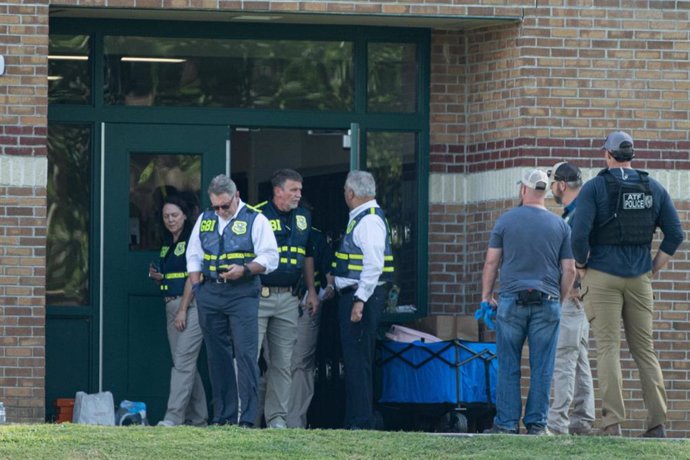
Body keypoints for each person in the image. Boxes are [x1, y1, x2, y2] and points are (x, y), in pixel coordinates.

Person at [571, 131, 684, 438]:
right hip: (639, 279)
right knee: (645, 350)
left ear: (606, 155)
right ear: (631, 155)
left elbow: (579, 236)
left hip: (602, 276)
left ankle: (612, 424)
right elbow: (675, 234)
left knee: (608, 348)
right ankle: (657, 424)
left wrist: (581, 268)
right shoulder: (653, 187)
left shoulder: (595, 187)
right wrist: (651, 270)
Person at [482, 169, 576, 436]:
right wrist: (558, 297)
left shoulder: (505, 221)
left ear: (523, 190)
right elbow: (569, 269)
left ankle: (507, 423)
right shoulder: (560, 225)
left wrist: (486, 296)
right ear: (544, 192)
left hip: (511, 301)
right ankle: (536, 424)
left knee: (509, 364)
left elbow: (491, 262)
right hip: (547, 301)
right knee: (542, 365)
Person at [186, 174, 278, 427]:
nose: (220, 211)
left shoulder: (255, 219)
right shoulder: (205, 219)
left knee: (246, 354)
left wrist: (245, 270)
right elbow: (193, 254)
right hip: (210, 292)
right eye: (215, 206)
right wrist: (197, 286)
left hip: (243, 292)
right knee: (217, 355)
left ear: (237, 196)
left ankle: (247, 418)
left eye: (225, 206)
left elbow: (271, 257)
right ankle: (223, 416)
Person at [254, 169, 319, 429]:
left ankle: (277, 419)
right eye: (294, 190)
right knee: (249, 360)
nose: (298, 195)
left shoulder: (304, 216)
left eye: (300, 190)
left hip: (290, 298)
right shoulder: (256, 214)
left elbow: (307, 256)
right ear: (278, 191)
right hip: (259, 296)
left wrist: (312, 291)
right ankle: (244, 417)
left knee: (283, 362)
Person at [332, 170, 395, 430]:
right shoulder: (363, 218)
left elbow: (373, 264)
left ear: (350, 193)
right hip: (360, 295)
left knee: (358, 361)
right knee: (355, 359)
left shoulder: (368, 221)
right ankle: (355, 419)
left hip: (362, 298)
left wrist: (359, 300)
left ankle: (361, 421)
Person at [148, 195, 208, 427]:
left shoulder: (193, 238)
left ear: (185, 215)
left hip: (190, 306)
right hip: (170, 304)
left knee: (182, 362)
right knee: (185, 364)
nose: (170, 220)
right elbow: (173, 275)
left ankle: (173, 417)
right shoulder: (168, 242)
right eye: (166, 216)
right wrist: (158, 278)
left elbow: (195, 275)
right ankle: (200, 419)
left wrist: (183, 309)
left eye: (174, 215)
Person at [546, 162, 596, 435]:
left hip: (573, 296)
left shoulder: (576, 216)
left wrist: (574, 285)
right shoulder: (579, 212)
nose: (551, 188)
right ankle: (582, 420)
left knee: (564, 358)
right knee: (579, 358)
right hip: (583, 297)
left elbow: (582, 250)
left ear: (562, 184)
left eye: (552, 182)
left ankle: (558, 424)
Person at [287, 223, 335, 428]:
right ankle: (265, 421)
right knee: (271, 362)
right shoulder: (267, 226)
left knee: (300, 362)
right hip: (272, 301)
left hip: (307, 304)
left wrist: (329, 287)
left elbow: (328, 270)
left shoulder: (314, 236)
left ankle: (294, 423)